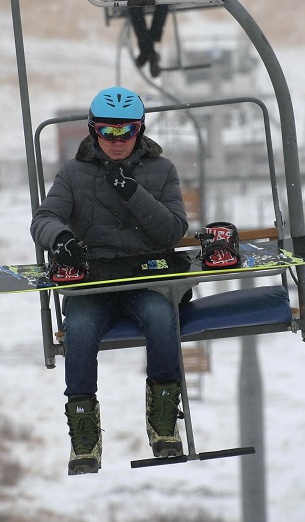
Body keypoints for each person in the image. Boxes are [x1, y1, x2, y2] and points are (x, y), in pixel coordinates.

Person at [30, 86, 189, 475]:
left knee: (161, 317)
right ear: (91, 131)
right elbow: (44, 219)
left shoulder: (161, 171)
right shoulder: (73, 174)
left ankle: (163, 422)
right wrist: (62, 239)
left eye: (127, 132)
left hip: (143, 275)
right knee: (80, 329)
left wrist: (133, 192)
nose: (117, 142)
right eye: (107, 132)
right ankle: (84, 436)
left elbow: (172, 231)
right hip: (96, 277)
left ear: (141, 130)